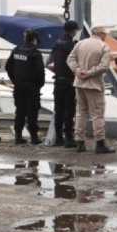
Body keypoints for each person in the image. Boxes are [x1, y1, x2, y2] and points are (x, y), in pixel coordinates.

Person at [66, 24, 115, 154]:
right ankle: (100, 143)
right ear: (101, 34)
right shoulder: (104, 47)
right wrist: (88, 73)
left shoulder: (80, 44)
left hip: (79, 82)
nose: (106, 36)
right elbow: (104, 66)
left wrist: (77, 71)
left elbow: (70, 59)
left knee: (81, 112)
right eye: (105, 34)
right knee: (97, 113)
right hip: (93, 84)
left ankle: (80, 143)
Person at [5, 29, 46, 145]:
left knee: (20, 111)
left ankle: (18, 137)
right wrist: (39, 85)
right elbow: (40, 72)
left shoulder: (16, 50)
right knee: (32, 111)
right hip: (32, 86)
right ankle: (34, 138)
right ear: (34, 40)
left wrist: (14, 80)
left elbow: (8, 67)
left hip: (19, 85)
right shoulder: (35, 53)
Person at [45, 20, 80, 148]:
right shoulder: (74, 45)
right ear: (74, 31)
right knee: (69, 111)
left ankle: (58, 138)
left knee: (58, 110)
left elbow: (48, 62)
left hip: (58, 81)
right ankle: (69, 139)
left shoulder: (57, 43)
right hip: (69, 82)